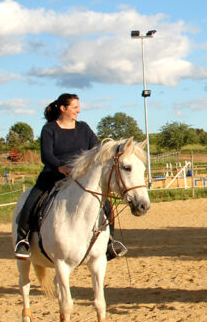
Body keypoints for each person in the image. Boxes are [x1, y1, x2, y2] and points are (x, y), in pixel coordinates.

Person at [14, 93, 126, 260]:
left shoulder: (84, 128)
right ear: (63, 108)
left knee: (106, 204)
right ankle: (23, 240)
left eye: (78, 107)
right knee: (32, 200)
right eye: (75, 107)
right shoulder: (49, 129)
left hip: (80, 176)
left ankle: (109, 242)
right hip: (54, 174)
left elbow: (96, 150)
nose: (78, 111)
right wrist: (60, 167)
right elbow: (46, 155)